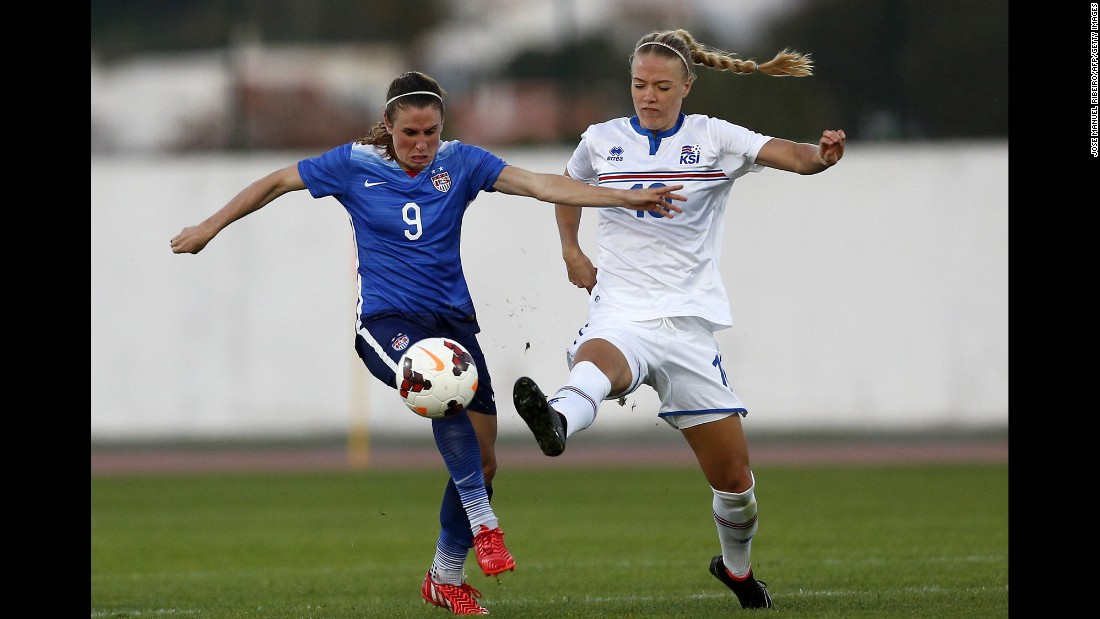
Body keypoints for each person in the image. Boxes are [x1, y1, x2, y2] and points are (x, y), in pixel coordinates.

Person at [170, 70, 685, 616]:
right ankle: (484, 523)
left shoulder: (461, 162)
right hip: (388, 324)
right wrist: (209, 226)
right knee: (438, 381)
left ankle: (444, 576)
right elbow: (275, 181)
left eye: (430, 133)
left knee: (485, 463)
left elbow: (540, 184)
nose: (420, 145)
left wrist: (628, 198)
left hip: (453, 324)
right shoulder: (354, 164)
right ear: (387, 127)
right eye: (409, 134)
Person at [511, 29, 846, 610]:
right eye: (639, 84)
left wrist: (821, 155)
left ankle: (736, 571)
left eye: (662, 86)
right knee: (598, 360)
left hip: (688, 328)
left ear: (687, 86)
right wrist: (571, 250)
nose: (648, 96)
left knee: (735, 485)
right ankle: (557, 421)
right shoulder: (602, 141)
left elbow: (791, 156)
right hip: (621, 310)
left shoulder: (714, 136)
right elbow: (566, 188)